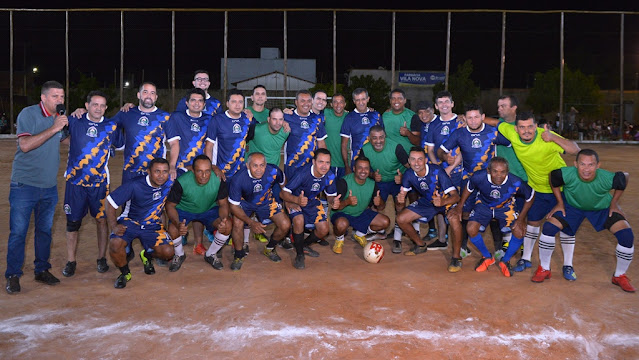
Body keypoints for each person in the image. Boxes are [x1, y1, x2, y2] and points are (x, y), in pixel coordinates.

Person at [487, 111, 580, 275]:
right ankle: (527, 259)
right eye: (522, 127)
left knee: (566, 228)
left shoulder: (546, 137)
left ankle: (568, 265)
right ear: (516, 129)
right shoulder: (512, 133)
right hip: (537, 190)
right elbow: (495, 123)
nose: (526, 131)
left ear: (536, 126)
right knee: (532, 224)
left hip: (562, 190)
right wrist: (469, 117)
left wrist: (553, 137)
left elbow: (575, 150)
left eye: (530, 126)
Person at [533, 149, 634, 292]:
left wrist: (614, 203)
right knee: (548, 228)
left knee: (626, 236)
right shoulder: (566, 174)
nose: (586, 169)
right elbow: (553, 178)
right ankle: (544, 268)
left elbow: (624, 177)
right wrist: (560, 203)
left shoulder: (607, 177)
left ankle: (619, 275)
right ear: (575, 164)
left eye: (591, 165)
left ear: (598, 165)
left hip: (601, 208)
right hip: (573, 207)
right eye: (582, 164)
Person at [5, 80, 68, 294]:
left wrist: (81, 121)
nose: (60, 100)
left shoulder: (60, 119)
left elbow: (65, 140)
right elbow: (24, 145)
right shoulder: (28, 114)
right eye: (55, 96)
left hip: (49, 187)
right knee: (19, 233)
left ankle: (41, 269)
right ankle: (13, 275)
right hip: (25, 186)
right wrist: (54, 128)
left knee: (44, 232)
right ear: (43, 98)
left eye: (62, 96)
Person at [438, 104, 511, 260]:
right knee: (464, 213)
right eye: (469, 117)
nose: (473, 120)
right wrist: (445, 157)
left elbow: (513, 144)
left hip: (490, 180)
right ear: (464, 118)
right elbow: (441, 150)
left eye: (476, 116)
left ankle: (498, 248)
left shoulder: (493, 133)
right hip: (468, 180)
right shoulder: (459, 134)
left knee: (493, 212)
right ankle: (464, 247)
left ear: (483, 117)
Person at [61, 90, 118, 278]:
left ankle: (101, 258)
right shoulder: (75, 120)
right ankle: (71, 261)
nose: (98, 108)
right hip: (75, 183)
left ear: (106, 108)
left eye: (102, 105)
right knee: (73, 223)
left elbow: (120, 145)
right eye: (95, 104)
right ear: (86, 106)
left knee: (101, 221)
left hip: (99, 184)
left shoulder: (112, 126)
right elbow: (61, 136)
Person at [449, 157, 534, 276]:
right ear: (489, 170)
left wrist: (521, 219)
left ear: (507, 172)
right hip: (483, 205)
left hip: (506, 206)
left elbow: (530, 196)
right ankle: (487, 257)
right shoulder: (479, 176)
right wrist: (460, 206)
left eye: (503, 172)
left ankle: (505, 261)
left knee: (519, 231)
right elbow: (469, 188)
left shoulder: (515, 181)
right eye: (495, 171)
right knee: (471, 228)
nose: (499, 175)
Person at [105, 158, 175, 289]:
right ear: (149, 172)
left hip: (153, 225)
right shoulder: (134, 185)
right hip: (130, 222)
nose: (161, 176)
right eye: (157, 171)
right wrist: (114, 226)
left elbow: (191, 169)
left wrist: (214, 168)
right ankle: (125, 273)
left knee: (168, 252)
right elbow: (110, 202)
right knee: (115, 245)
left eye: (165, 171)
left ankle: (146, 254)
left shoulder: (170, 181)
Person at [166, 88, 217, 256]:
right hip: (182, 170)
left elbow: (209, 146)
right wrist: (172, 166)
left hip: (201, 171)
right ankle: (175, 244)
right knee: (176, 206)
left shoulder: (209, 120)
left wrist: (208, 167)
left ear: (204, 103)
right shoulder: (177, 117)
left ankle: (199, 243)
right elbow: (175, 144)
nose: (197, 103)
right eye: (193, 100)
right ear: (186, 102)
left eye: (200, 101)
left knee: (199, 205)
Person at [396, 147, 461, 272]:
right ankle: (420, 245)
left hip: (446, 200)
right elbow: (400, 203)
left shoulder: (437, 172)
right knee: (401, 219)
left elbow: (456, 196)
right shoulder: (408, 175)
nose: (416, 163)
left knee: (454, 220)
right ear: (409, 161)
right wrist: (400, 201)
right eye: (413, 159)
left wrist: (443, 201)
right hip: (428, 202)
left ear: (426, 160)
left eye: (420, 159)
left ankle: (456, 258)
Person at [165, 155, 231, 272]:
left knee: (227, 225)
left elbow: (223, 204)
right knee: (173, 227)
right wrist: (177, 222)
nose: (204, 176)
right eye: (199, 171)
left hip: (208, 210)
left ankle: (210, 254)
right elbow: (170, 205)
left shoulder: (218, 180)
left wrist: (224, 219)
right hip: (185, 210)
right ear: (193, 171)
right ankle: (179, 254)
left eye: (207, 171)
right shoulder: (181, 181)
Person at [228, 152, 291, 271]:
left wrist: (287, 199)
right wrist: (251, 223)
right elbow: (234, 207)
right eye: (255, 165)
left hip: (266, 202)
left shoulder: (273, 171)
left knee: (285, 224)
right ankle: (239, 254)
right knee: (237, 224)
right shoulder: (238, 179)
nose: (259, 169)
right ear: (247, 165)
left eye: (262, 165)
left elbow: (283, 182)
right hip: (245, 204)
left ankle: (270, 248)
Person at [280, 148, 337, 269]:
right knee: (299, 220)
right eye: (321, 162)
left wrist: (334, 201)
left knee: (324, 229)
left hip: (311, 201)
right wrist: (296, 200)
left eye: (327, 162)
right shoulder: (302, 173)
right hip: (294, 200)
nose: (324, 166)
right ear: (313, 162)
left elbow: (330, 196)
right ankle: (300, 255)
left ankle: (302, 245)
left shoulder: (330, 175)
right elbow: (283, 193)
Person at [358, 125, 409, 253]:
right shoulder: (365, 150)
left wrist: (403, 178)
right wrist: (372, 175)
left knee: (399, 204)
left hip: (397, 180)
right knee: (378, 204)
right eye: (374, 138)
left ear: (385, 136)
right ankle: (380, 232)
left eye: (381, 137)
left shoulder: (396, 147)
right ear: (369, 139)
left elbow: (411, 167)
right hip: (380, 182)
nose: (378, 141)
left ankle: (397, 239)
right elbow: (361, 170)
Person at [424, 91, 464, 251]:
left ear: (453, 104)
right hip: (441, 172)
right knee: (440, 203)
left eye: (447, 101)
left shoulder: (461, 121)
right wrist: (439, 169)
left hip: (460, 171)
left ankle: (461, 244)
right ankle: (442, 239)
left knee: (459, 205)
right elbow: (430, 150)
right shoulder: (433, 125)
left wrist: (451, 167)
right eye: (440, 102)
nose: (444, 105)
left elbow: (464, 148)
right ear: (436, 106)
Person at [112, 82, 171, 184]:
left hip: (155, 173)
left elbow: (176, 142)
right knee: (128, 199)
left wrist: (172, 166)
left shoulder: (166, 117)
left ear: (156, 97)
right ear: (138, 95)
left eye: (152, 93)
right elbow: (105, 125)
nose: (149, 96)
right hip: (130, 171)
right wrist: (83, 113)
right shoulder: (127, 113)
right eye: (145, 92)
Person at [331, 156, 390, 254]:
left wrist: (379, 202)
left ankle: (359, 234)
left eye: (366, 168)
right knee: (341, 224)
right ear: (354, 168)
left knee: (385, 222)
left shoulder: (372, 184)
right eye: (360, 167)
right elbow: (336, 207)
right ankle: (339, 239)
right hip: (342, 213)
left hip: (360, 213)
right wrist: (347, 202)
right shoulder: (343, 182)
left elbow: (381, 207)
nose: (363, 171)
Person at [204, 89, 254, 179]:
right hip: (220, 171)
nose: (237, 105)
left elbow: (266, 125)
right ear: (227, 104)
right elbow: (209, 146)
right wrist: (212, 166)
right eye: (234, 102)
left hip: (240, 171)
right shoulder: (217, 120)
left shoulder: (247, 119)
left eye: (240, 102)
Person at [283, 90, 327, 179]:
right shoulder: (286, 117)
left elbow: (321, 143)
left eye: (308, 101)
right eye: (302, 101)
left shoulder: (317, 119)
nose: (306, 104)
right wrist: (283, 121)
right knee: (291, 192)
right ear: (296, 102)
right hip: (292, 165)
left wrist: (324, 162)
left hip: (310, 167)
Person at [340, 88, 383, 174]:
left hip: (376, 161)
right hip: (357, 162)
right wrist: (347, 166)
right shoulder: (349, 118)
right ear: (354, 101)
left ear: (368, 99)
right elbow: (344, 145)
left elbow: (384, 138)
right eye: (358, 100)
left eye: (363, 99)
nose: (361, 102)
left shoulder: (376, 115)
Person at [382, 88, 417, 153]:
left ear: (405, 100)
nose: (396, 101)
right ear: (390, 101)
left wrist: (408, 133)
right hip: (390, 156)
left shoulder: (413, 116)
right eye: (393, 98)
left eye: (399, 98)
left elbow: (417, 142)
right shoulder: (385, 115)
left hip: (407, 156)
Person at [324, 93, 348, 179]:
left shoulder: (349, 117)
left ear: (345, 104)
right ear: (331, 104)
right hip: (328, 163)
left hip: (344, 163)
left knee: (342, 190)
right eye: (335, 102)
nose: (338, 105)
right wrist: (289, 111)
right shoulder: (325, 113)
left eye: (341, 102)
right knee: (327, 190)